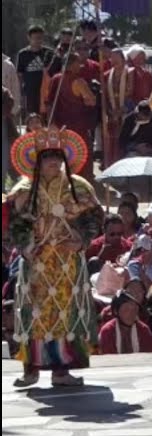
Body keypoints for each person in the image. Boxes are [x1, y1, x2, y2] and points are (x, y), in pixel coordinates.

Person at [6, 127, 103, 388]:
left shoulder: (78, 187)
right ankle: (31, 369)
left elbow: (94, 217)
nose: (53, 161)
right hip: (36, 262)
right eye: (47, 156)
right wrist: (26, 246)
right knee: (33, 312)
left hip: (67, 260)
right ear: (37, 159)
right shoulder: (25, 189)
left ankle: (62, 370)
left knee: (66, 313)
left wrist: (81, 240)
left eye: (57, 156)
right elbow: (14, 223)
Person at [98, 290, 152, 354]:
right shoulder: (108, 331)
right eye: (126, 309)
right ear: (116, 311)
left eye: (135, 309)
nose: (131, 313)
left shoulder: (143, 330)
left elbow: (148, 356)